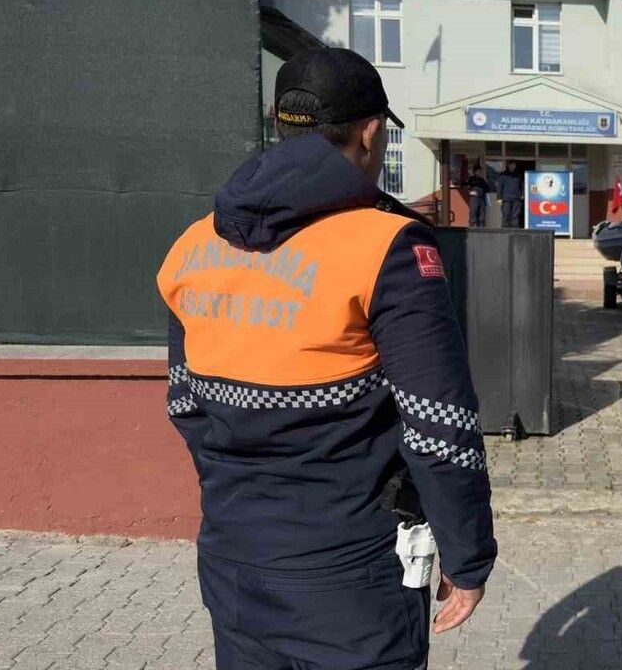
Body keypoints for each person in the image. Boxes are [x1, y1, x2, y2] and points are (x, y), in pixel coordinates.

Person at [156, 47, 496, 670]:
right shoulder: (387, 247)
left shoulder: (195, 243)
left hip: (234, 562)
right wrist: (467, 554)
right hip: (352, 576)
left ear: (280, 126)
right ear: (370, 134)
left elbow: (186, 405)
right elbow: (439, 426)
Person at [498, 160, 524, 229]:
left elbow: (522, 186)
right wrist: (499, 198)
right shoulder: (503, 175)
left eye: (514, 165)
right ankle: (505, 229)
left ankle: (515, 229)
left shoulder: (518, 175)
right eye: (511, 164)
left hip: (517, 198)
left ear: (515, 166)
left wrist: (522, 194)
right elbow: (499, 187)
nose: (512, 166)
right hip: (506, 198)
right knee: (506, 214)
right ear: (508, 165)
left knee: (515, 215)